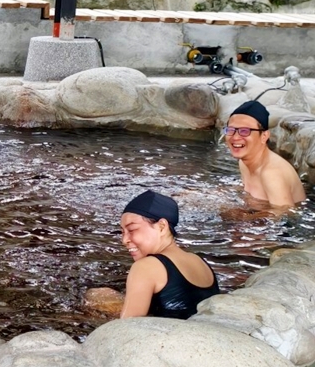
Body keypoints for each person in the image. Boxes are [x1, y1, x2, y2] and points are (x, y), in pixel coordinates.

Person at [118, 190, 220, 319]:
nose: (124, 240)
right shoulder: (200, 261)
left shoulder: (145, 267)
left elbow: (125, 328)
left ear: (162, 226)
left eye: (132, 229)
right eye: (122, 232)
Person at [224, 100, 305, 208]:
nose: (235, 137)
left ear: (264, 136)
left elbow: (285, 215)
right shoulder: (244, 163)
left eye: (245, 131)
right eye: (231, 130)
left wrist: (242, 217)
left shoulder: (272, 174)